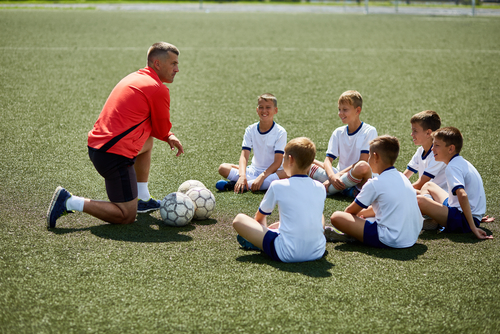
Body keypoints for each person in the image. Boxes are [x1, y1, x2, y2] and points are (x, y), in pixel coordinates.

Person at [47, 42, 184, 228]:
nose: (177, 69)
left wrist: (167, 135)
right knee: (126, 215)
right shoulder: (157, 88)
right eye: (173, 64)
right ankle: (69, 201)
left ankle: (142, 198)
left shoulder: (136, 77)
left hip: (99, 147)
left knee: (148, 141)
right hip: (113, 156)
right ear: (157, 64)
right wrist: (168, 135)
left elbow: (154, 130)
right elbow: (160, 129)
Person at [232, 137, 327, 263]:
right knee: (319, 215)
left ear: (290, 160)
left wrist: (264, 234)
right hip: (317, 252)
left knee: (239, 219)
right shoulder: (320, 187)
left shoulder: (277, 185)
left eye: (284, 158)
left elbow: (259, 218)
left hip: (286, 253)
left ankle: (260, 244)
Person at [328, 135, 423, 248]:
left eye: (369, 155)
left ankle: (354, 236)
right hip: (412, 236)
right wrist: (361, 215)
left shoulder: (374, 183)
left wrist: (357, 218)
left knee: (337, 217)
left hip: (391, 239)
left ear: (375, 156)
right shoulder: (402, 177)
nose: (367, 160)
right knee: (366, 215)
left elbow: (349, 212)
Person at [417, 127, 493, 240]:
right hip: (463, 212)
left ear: (451, 148)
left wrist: (473, 227)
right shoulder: (460, 162)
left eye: (437, 145)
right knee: (428, 185)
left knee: (420, 200)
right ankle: (434, 220)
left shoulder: (452, 167)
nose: (432, 149)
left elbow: (463, 195)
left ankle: (430, 220)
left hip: (462, 220)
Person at [308, 90, 377, 197]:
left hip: (358, 177)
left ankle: (327, 189)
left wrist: (336, 176)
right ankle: (345, 190)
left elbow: (363, 160)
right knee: (306, 162)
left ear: (357, 110)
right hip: (339, 176)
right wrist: (332, 177)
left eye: (345, 110)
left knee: (363, 166)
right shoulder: (338, 132)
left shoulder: (369, 131)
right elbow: (328, 160)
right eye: (339, 109)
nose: (340, 113)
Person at [216, 93, 287, 193]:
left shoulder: (280, 132)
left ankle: (239, 185)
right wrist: (242, 175)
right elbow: (244, 156)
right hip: (253, 171)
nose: (264, 110)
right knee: (223, 168)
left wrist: (262, 176)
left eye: (268, 107)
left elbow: (277, 162)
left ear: (275, 110)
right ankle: (248, 183)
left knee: (288, 173)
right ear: (257, 110)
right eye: (261, 107)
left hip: (272, 173)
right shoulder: (250, 129)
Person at [403, 110, 447, 193]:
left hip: (442, 199)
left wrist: (398, 191)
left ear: (428, 133)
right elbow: (405, 176)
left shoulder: (438, 154)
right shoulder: (420, 150)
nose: (411, 134)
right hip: (427, 195)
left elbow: (420, 184)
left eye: (415, 131)